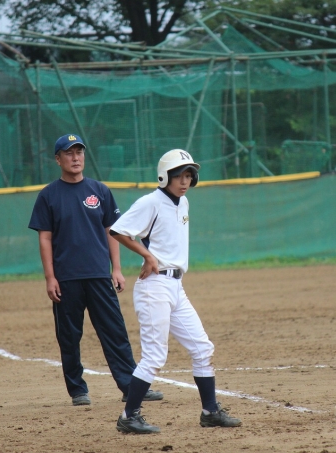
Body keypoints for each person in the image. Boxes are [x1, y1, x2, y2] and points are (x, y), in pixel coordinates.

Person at [109, 149, 242, 434]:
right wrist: (148, 255)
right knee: (155, 356)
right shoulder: (151, 202)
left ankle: (210, 412)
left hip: (176, 286)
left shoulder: (184, 202)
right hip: (154, 287)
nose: (185, 181)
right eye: (179, 175)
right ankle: (129, 416)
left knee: (202, 348)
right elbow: (118, 231)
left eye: (189, 176)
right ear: (164, 176)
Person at [28, 133, 163, 406]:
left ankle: (130, 386)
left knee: (115, 332)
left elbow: (111, 231)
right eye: (68, 153)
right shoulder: (48, 195)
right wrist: (50, 277)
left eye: (79, 152)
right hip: (66, 278)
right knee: (69, 337)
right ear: (58, 159)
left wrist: (117, 269)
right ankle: (78, 390)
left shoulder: (99, 191)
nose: (75, 157)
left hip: (99, 275)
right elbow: (45, 239)